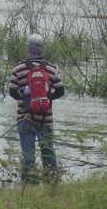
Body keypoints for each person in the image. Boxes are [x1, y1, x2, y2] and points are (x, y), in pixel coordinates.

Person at [8, 33, 65, 184]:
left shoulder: (19, 68)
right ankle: (52, 180)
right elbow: (60, 91)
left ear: (28, 48)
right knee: (48, 152)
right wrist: (46, 99)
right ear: (42, 48)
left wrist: (26, 101)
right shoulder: (52, 69)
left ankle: (29, 183)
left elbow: (12, 92)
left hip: (25, 118)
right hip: (45, 120)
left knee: (28, 154)